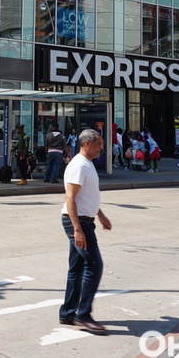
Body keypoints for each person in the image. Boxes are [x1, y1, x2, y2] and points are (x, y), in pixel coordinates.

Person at [59, 129, 112, 335]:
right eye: (99, 144)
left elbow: (86, 196)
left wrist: (100, 214)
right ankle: (83, 314)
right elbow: (70, 198)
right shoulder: (79, 165)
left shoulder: (87, 164)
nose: (102, 148)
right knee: (94, 265)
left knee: (77, 268)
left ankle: (67, 312)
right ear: (87, 143)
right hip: (77, 222)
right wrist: (78, 230)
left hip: (84, 220)